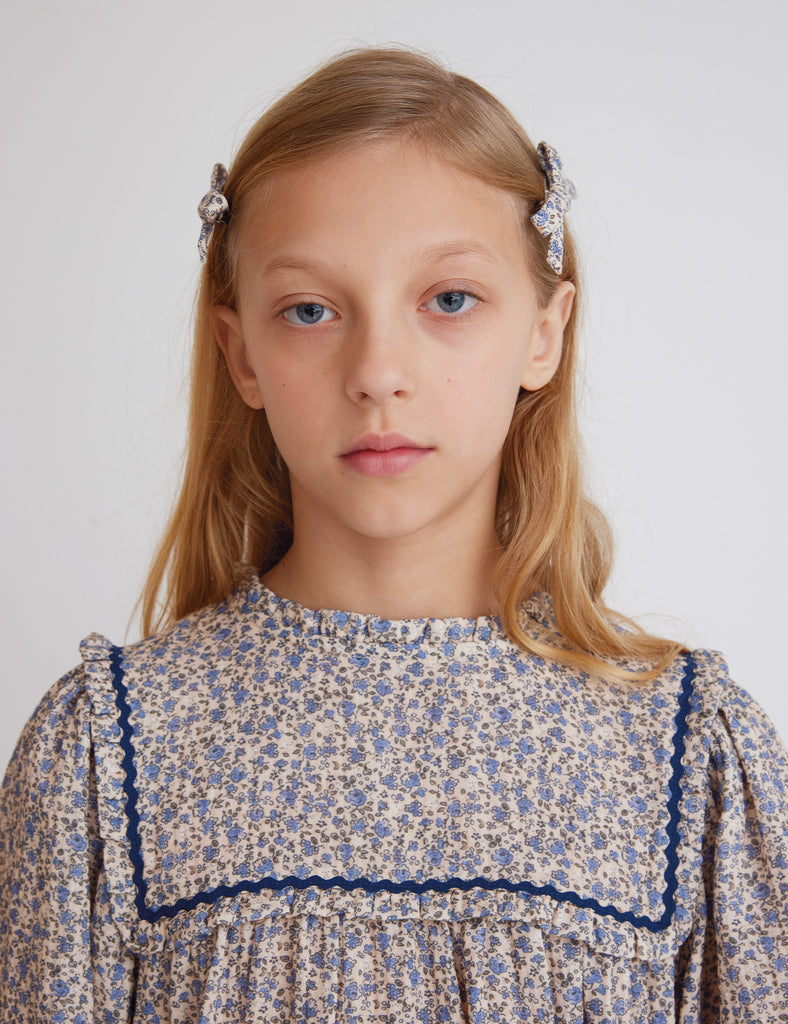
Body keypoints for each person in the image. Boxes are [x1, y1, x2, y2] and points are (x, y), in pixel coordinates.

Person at [1, 46, 786, 1022]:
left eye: (448, 299)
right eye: (311, 310)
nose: (377, 370)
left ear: (542, 332)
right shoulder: (101, 756)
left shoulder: (686, 756)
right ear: (240, 351)